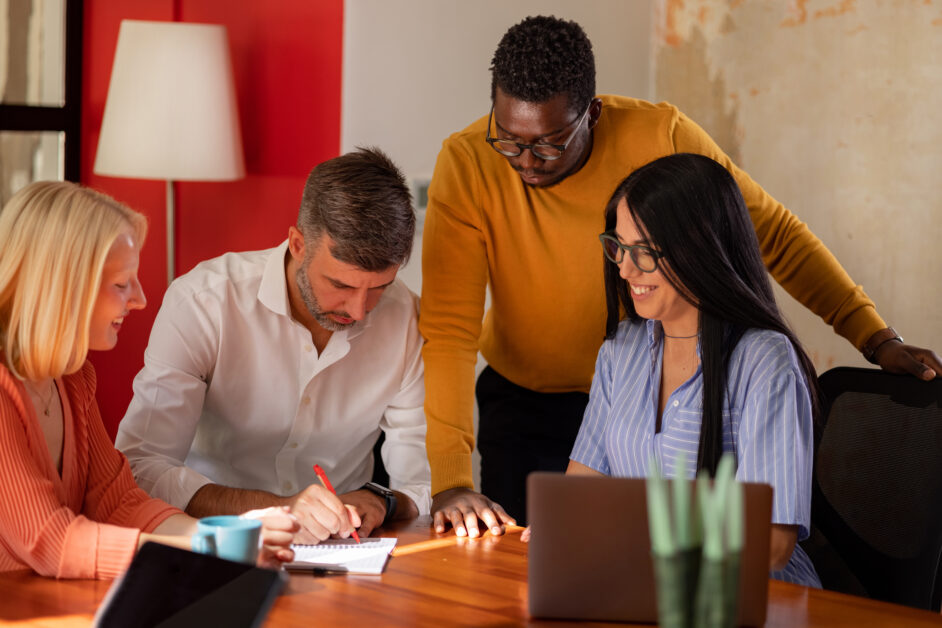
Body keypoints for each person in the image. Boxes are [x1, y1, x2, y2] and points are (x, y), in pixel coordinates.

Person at [420, 15, 942, 534]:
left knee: (654, 555)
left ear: (592, 113)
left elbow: (774, 235)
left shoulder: (660, 134)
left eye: (549, 143)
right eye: (509, 140)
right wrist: (450, 480)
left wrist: (873, 336)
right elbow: (449, 332)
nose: (526, 162)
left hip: (657, 391)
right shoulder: (467, 163)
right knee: (537, 569)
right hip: (531, 402)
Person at [116, 147, 430, 542]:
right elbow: (141, 466)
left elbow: (419, 481)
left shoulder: (405, 318)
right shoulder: (205, 302)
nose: (360, 311)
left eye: (379, 288)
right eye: (341, 285)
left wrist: (380, 499)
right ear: (298, 244)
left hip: (346, 552)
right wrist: (276, 511)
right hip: (215, 542)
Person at [0, 181, 297, 579]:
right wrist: (207, 548)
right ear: (62, 288)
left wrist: (227, 536)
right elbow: (52, 541)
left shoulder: (72, 379)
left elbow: (119, 502)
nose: (140, 299)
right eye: (122, 284)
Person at [570, 153, 819, 585]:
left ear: (701, 251)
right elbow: (578, 492)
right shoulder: (620, 350)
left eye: (644, 252)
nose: (626, 269)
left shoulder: (763, 359)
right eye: (618, 247)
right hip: (642, 583)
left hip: (747, 595)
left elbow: (774, 543)